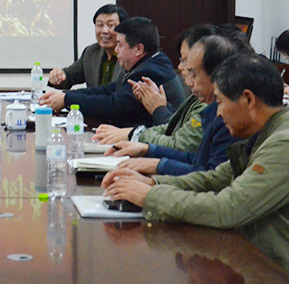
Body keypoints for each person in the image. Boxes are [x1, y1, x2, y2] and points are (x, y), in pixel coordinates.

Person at [103, 54, 289, 272]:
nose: (218, 113)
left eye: (220, 102)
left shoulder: (283, 143)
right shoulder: (264, 133)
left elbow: (230, 208)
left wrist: (150, 197)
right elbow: (216, 178)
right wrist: (153, 183)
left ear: (248, 100)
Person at [104, 35, 239, 176]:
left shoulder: (223, 113)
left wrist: (155, 172)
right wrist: (148, 149)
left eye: (192, 72)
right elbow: (197, 158)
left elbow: (208, 174)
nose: (181, 69)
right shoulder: (208, 104)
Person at [93, 24, 220, 149]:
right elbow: (177, 128)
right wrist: (157, 106)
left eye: (185, 60)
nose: (180, 67)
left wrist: (157, 109)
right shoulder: (197, 97)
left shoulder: (209, 101)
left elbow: (180, 144)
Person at [39, 17, 177, 127]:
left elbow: (114, 106)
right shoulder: (144, 64)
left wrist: (66, 100)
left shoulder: (150, 71)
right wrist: (65, 96)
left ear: (138, 49)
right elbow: (108, 90)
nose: (116, 50)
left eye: (120, 45)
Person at [48, 4, 129, 90]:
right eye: (100, 25)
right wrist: (58, 75)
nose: (104, 31)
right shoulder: (91, 52)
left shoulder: (130, 55)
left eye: (110, 25)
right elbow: (69, 76)